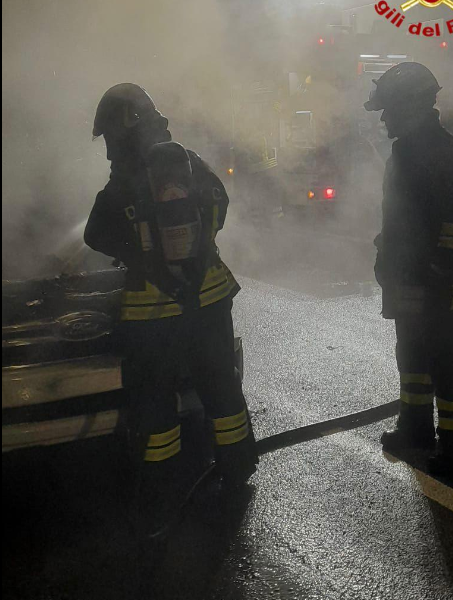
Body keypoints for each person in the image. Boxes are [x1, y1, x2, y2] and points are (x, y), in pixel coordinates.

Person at [84, 83, 258, 535]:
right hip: (209, 297)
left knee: (154, 404)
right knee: (221, 386)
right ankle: (238, 468)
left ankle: (160, 493)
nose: (106, 151)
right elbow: (220, 201)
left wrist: (139, 255)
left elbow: (94, 235)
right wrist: (199, 250)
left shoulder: (123, 179)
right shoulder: (189, 162)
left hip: (153, 312)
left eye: (108, 138)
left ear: (123, 129)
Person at [364, 63, 453, 476]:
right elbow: (400, 219)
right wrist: (386, 256)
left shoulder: (446, 152)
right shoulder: (406, 152)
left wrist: (438, 270)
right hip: (411, 282)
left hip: (439, 286)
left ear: (411, 106)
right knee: (412, 355)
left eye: (389, 109)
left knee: (446, 360)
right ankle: (415, 430)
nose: (383, 118)